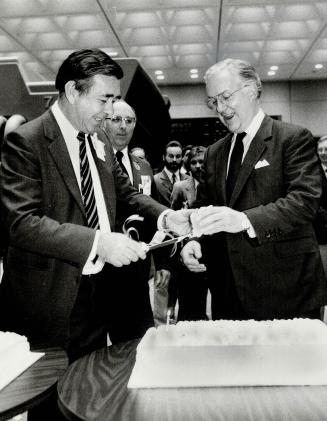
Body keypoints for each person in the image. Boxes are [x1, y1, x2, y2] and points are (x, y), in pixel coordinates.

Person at [0, 48, 192, 364]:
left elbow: (128, 194)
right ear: (73, 91)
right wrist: (98, 242)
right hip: (52, 299)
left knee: (91, 385)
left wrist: (166, 216)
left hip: (98, 293)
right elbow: (21, 223)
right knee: (53, 397)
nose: (109, 111)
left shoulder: (98, 141)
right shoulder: (27, 141)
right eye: (103, 100)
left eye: (114, 100)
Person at [181, 58, 327, 321]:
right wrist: (194, 240)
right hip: (228, 293)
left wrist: (245, 220)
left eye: (226, 97)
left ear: (252, 89)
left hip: (287, 291)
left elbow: (304, 202)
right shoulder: (214, 152)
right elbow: (203, 209)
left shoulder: (293, 138)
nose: (220, 108)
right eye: (213, 101)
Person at [102, 99, 171, 333]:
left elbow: (152, 213)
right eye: (116, 120)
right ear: (104, 122)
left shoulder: (143, 167)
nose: (123, 126)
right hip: (102, 266)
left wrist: (161, 262)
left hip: (137, 269)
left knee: (138, 337)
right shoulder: (93, 162)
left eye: (129, 121)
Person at [171, 145, 209, 321]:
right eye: (194, 162)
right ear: (188, 165)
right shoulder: (180, 187)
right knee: (189, 298)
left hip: (210, 246)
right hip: (188, 246)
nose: (198, 166)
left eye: (201, 161)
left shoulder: (215, 184)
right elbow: (174, 217)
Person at [154, 140, 189, 207]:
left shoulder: (188, 179)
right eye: (171, 156)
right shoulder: (155, 180)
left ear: (182, 158)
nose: (174, 160)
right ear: (164, 157)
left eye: (178, 156)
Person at [314, 135, 327, 277]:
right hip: (322, 231)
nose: (323, 152)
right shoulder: (311, 172)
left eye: (326, 149)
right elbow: (312, 200)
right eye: (321, 150)